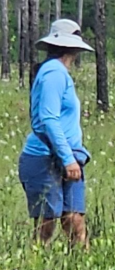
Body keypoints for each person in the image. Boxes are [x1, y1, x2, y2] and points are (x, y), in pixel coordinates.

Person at [19, 19, 94, 247]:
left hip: (64, 156)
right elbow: (49, 119)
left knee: (74, 220)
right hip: (45, 157)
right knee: (46, 223)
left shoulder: (58, 72)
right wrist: (67, 158)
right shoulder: (53, 74)